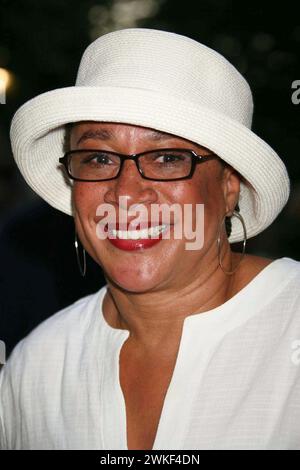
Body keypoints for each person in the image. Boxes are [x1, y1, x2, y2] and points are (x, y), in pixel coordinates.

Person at [0, 28, 299, 450]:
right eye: (99, 158)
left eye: (167, 158)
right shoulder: (36, 368)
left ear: (230, 184)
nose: (126, 194)